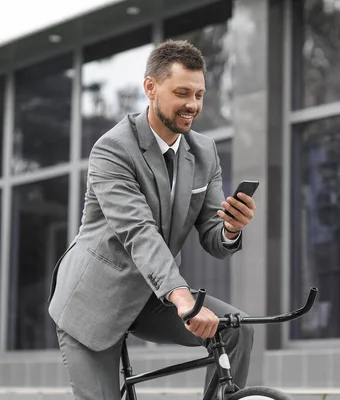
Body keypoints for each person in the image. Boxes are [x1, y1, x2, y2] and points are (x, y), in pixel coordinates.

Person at [48, 39, 255, 400]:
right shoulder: (112, 149)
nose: (193, 105)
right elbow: (138, 232)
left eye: (199, 94)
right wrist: (182, 298)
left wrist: (230, 228)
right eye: (181, 93)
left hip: (153, 295)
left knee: (237, 329)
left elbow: (211, 233)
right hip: (94, 303)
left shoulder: (204, 151)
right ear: (150, 88)